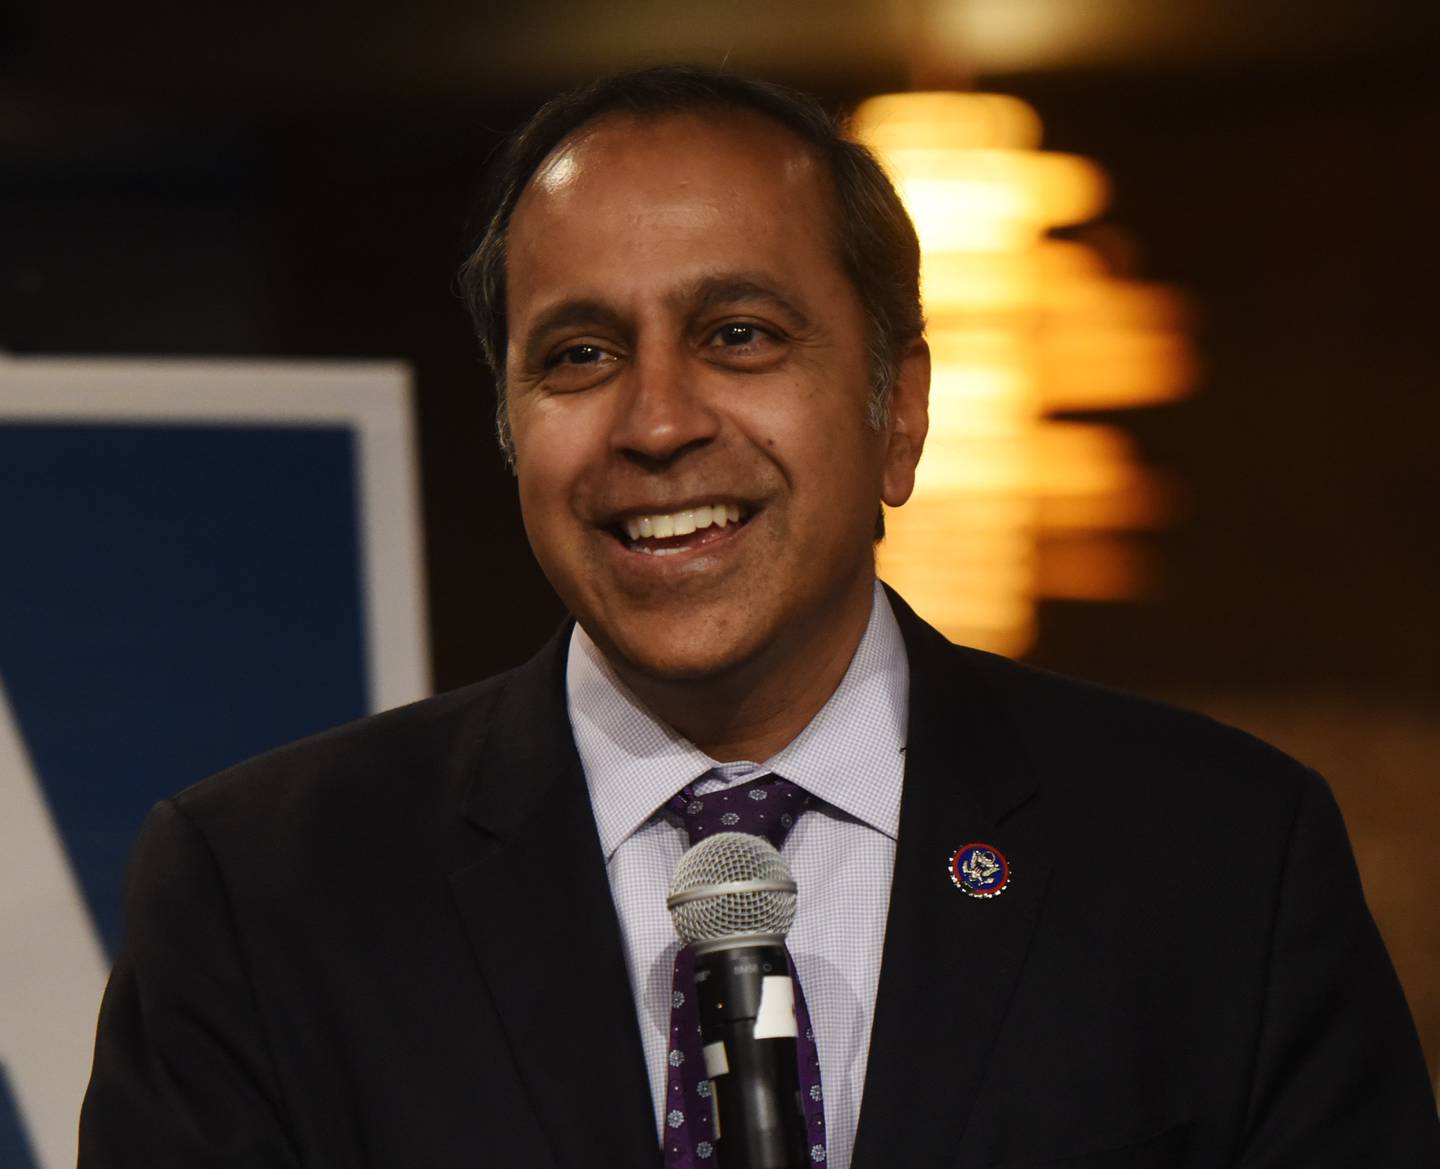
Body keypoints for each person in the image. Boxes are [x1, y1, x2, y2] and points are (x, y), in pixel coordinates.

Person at [80, 67, 1439, 1169]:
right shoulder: (263, 894)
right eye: (581, 355)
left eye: (739, 334)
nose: (659, 421)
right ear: (509, 428)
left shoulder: (1222, 860)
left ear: (897, 410)